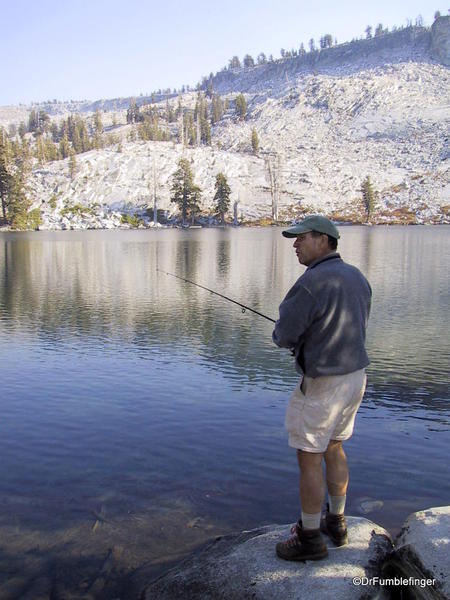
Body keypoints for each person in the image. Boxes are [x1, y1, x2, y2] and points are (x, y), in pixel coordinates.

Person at [272, 215, 372, 561]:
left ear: (324, 240)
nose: (295, 244)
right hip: (356, 377)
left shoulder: (311, 283)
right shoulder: (358, 277)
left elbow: (284, 334)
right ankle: (338, 521)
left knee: (309, 457)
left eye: (302, 238)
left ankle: (310, 538)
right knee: (335, 446)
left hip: (323, 384)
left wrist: (283, 336)